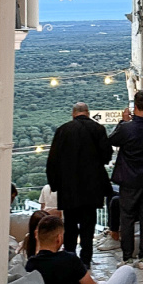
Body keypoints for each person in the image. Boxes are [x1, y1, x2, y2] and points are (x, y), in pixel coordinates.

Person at [44, 101, 112, 265]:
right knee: (89, 225)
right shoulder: (98, 129)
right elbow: (106, 157)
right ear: (87, 113)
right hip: (92, 187)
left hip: (69, 188)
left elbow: (52, 160)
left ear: (73, 114)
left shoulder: (63, 130)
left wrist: (55, 184)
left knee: (70, 224)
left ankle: (70, 257)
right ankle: (86, 259)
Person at [108, 92, 143, 268]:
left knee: (127, 217)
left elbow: (112, 139)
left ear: (134, 107)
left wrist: (124, 121)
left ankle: (127, 257)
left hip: (129, 178)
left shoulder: (127, 128)